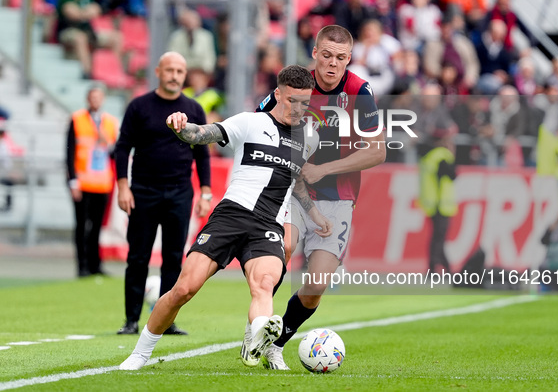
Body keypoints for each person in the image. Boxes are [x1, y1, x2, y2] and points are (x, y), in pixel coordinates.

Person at [119, 64, 331, 371]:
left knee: (265, 283)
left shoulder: (309, 138)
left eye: (304, 102)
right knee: (184, 289)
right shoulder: (250, 123)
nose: (298, 108)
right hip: (230, 215)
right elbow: (203, 134)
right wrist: (181, 126)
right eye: (291, 101)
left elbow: (295, 180)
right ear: (277, 95)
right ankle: (140, 353)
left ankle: (256, 336)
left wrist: (311, 211)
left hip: (267, 225)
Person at [253, 25, 386, 370]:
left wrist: (325, 169)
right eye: (326, 55)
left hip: (337, 198)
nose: (332, 64)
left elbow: (378, 152)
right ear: (315, 53)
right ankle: (258, 322)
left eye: (340, 58)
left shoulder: (360, 92)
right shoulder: (297, 84)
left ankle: (275, 343)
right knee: (282, 247)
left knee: (316, 285)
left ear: (349, 59)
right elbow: (258, 123)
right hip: (292, 193)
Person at [114, 52, 212, 336]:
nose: (174, 75)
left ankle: (166, 321)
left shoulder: (193, 108)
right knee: (138, 257)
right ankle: (131, 320)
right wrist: (122, 185)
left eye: (180, 71)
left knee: (173, 257)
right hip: (143, 191)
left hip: (180, 192)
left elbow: (203, 154)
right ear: (158, 71)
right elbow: (122, 148)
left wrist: (205, 192)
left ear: (185, 75)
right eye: (169, 70)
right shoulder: (139, 106)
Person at [66, 86, 119, 277]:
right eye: (92, 97)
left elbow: (114, 153)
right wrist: (73, 181)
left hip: (102, 182)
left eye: (99, 97)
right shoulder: (77, 119)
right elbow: (69, 151)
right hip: (82, 182)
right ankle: (82, 266)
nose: (95, 100)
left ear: (103, 99)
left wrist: (109, 144)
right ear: (88, 99)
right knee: (81, 226)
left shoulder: (110, 122)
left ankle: (96, 265)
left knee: (96, 226)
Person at [418, 128, 458, 272]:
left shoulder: (427, 157)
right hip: (441, 203)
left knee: (436, 238)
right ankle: (435, 268)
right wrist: (452, 154)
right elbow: (452, 175)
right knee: (439, 239)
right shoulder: (442, 156)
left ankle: (444, 268)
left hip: (430, 203)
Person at [56, 0, 122, 79]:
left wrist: (82, 12)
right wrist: (87, 12)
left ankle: (114, 70)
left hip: (88, 32)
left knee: (116, 37)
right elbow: (72, 14)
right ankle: (87, 72)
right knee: (80, 37)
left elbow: (96, 10)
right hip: (68, 32)